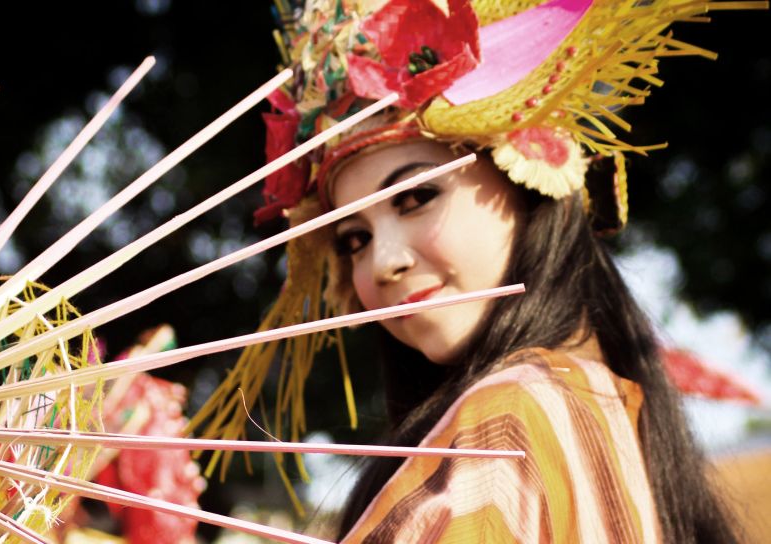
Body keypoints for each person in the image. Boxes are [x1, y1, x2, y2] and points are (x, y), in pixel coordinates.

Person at [188, 0, 766, 541]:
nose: (383, 263)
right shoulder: (604, 409)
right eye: (354, 239)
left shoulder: (502, 425)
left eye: (416, 198)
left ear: (525, 176)